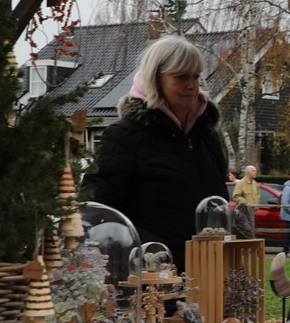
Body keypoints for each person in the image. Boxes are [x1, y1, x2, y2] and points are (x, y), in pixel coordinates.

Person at [83, 36, 226, 274]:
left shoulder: (207, 137)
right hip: (151, 279)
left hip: (209, 273)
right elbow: (97, 212)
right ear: (155, 79)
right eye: (181, 77)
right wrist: (152, 252)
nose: (192, 85)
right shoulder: (125, 136)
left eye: (196, 77)